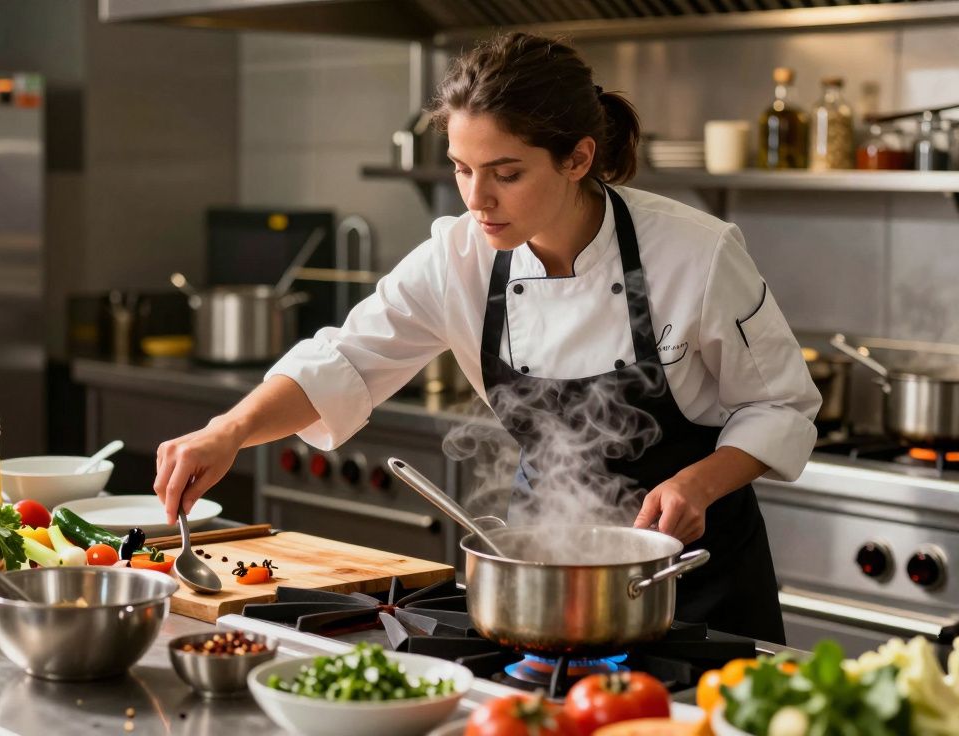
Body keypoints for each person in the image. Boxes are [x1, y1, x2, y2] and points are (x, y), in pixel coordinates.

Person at [152, 32, 819, 643]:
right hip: (542, 576)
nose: (477, 199)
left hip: (693, 579)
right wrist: (229, 430)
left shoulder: (695, 253)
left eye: (506, 173)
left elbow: (780, 406)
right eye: (461, 168)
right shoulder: (458, 257)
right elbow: (345, 360)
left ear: (577, 158)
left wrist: (697, 484)